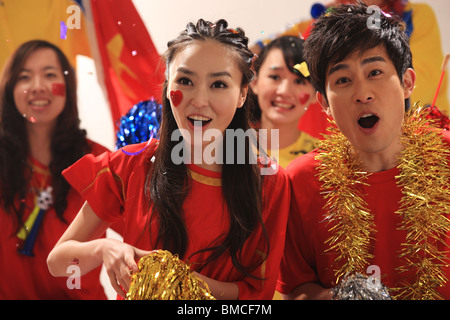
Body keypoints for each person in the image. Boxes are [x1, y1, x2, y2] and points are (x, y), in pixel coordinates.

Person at [47, 19, 290, 300]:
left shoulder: (268, 180)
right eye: (185, 81)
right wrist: (104, 249)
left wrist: (170, 277)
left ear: (242, 94)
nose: (199, 100)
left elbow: (256, 294)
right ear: (167, 85)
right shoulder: (131, 164)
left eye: (219, 84)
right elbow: (58, 262)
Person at [277, 3, 450, 300]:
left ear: (407, 82)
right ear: (325, 104)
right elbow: (296, 290)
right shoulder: (300, 182)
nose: (363, 93)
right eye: (343, 80)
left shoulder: (445, 154)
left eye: (375, 72)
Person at [0, 40, 111, 299]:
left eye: (50, 75)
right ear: (10, 89)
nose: (38, 87)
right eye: (24, 77)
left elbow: (148, 232)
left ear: (69, 87)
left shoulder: (100, 161)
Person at [253, 0, 449, 136]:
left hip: (416, 135)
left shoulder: (415, 16)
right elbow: (286, 40)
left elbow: (422, 86)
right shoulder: (325, 19)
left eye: (374, 72)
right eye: (344, 78)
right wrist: (258, 48)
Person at [249, 36, 319, 168]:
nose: (284, 91)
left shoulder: (324, 161)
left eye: (299, 81)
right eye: (275, 77)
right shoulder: (227, 151)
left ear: (315, 93)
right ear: (254, 82)